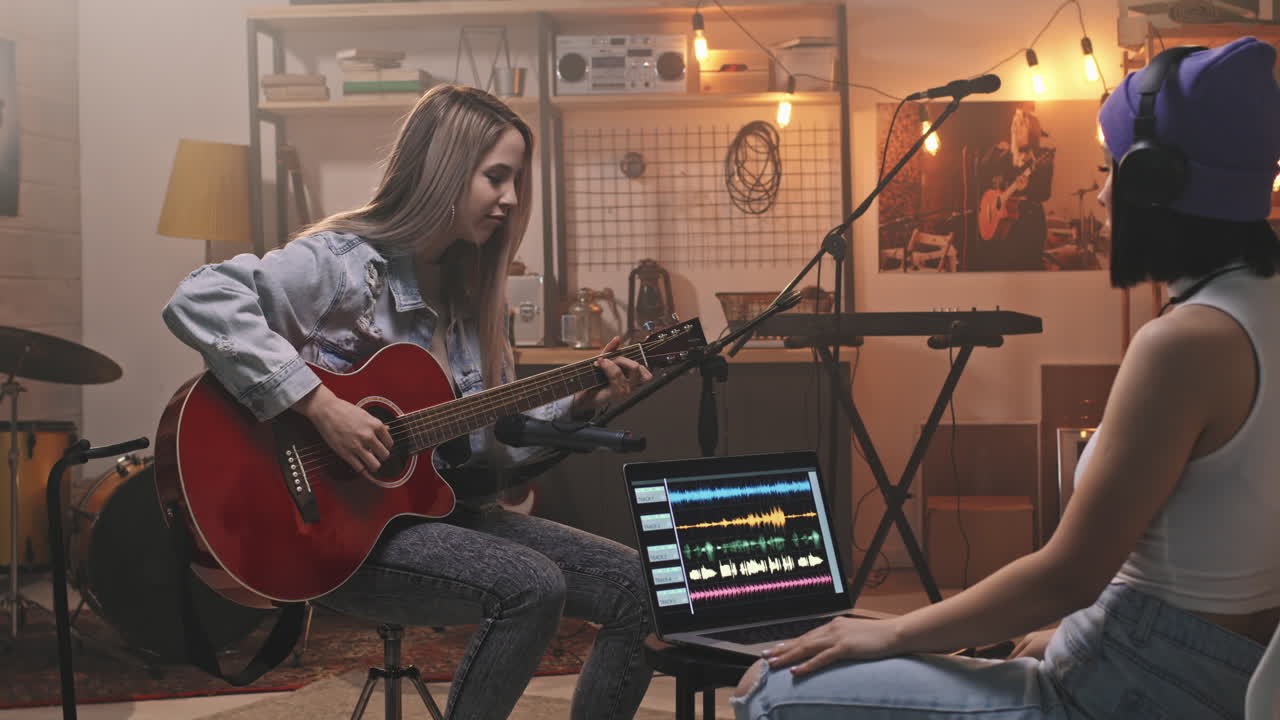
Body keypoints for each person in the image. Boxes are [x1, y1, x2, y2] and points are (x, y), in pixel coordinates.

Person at [731, 37, 1280, 719]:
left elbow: (1068, 575)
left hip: (1141, 682)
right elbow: (1207, 563)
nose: (1102, 196)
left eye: (1112, 172)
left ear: (1157, 186)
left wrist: (892, 632)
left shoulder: (1184, 344)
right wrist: (1058, 637)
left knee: (776, 691)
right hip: (1226, 667)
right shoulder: (1258, 308)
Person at [162, 84, 655, 720]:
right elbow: (198, 297)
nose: (509, 199)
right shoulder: (341, 264)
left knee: (641, 587)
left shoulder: (471, 295)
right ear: (444, 170)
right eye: (495, 177)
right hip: (336, 531)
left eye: (516, 182)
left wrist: (579, 405)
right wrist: (322, 407)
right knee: (531, 585)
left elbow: (484, 444)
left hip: (436, 510)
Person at [971, 105, 1056, 271]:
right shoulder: (1003, 157)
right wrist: (994, 152)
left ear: (1032, 130)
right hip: (1001, 225)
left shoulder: (1042, 156)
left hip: (1028, 224)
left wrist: (1028, 188)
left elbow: (1045, 193)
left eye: (1021, 124)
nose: (1016, 128)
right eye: (1014, 124)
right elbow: (985, 176)